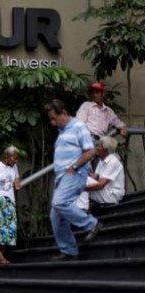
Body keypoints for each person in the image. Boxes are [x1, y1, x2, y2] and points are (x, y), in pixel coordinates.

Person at [46, 99, 102, 261]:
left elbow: (90, 152)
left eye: (54, 118)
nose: (53, 122)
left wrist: (75, 167)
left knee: (60, 203)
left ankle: (91, 224)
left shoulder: (79, 127)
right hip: (62, 177)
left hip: (74, 174)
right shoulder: (63, 131)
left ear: (63, 113)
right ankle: (69, 250)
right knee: (55, 216)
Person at [76, 136, 125, 210]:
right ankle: (80, 208)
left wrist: (81, 188)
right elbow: (94, 178)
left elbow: (101, 185)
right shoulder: (102, 161)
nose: (96, 148)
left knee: (82, 183)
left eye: (99, 146)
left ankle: (83, 209)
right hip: (105, 192)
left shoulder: (112, 162)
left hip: (112, 196)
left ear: (106, 150)